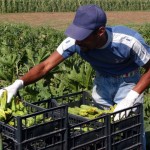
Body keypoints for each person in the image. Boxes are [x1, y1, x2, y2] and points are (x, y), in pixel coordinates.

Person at [0, 4, 149, 149]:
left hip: (128, 83)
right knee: (101, 126)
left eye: (82, 36)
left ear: (100, 31)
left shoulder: (128, 41)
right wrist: (17, 84)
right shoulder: (75, 41)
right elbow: (45, 66)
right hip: (101, 82)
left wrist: (131, 97)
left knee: (130, 128)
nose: (77, 41)